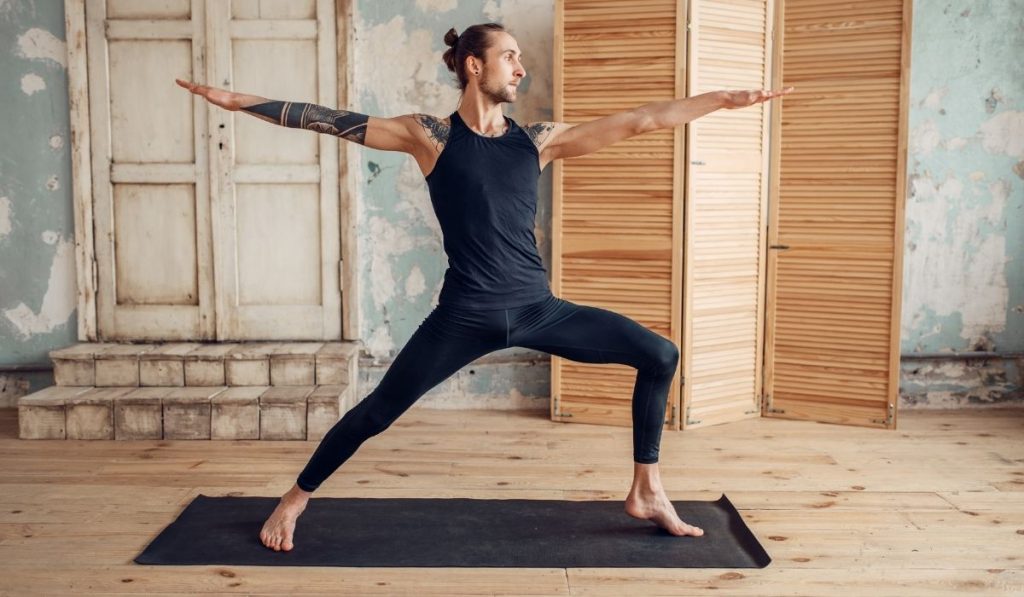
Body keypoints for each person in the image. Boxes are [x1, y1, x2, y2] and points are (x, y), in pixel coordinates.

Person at [176, 22, 793, 552]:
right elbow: (331, 121)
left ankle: (646, 489)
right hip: (463, 316)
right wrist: (237, 101)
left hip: (538, 310)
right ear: (476, 66)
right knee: (376, 413)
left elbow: (641, 120)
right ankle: (294, 499)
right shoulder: (430, 136)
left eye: (521, 59)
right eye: (510, 57)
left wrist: (721, 99)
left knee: (660, 354)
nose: (521, 69)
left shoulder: (538, 141)